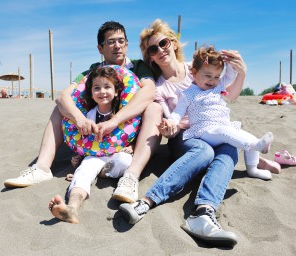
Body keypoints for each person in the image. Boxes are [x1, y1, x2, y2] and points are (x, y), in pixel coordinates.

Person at [119, 19, 281, 247]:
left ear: (173, 43)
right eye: (152, 49)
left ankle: (204, 213)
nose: (160, 50)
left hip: (214, 130)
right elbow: (173, 120)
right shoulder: (159, 86)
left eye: (163, 43)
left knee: (228, 148)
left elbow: (229, 95)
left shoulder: (199, 66)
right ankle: (146, 201)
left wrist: (242, 73)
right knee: (205, 151)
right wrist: (170, 126)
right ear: (150, 57)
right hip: (185, 137)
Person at [4, 21, 163, 204]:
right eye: (111, 42)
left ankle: (131, 177)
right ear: (100, 48)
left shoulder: (138, 66)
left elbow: (149, 92)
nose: (117, 46)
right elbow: (63, 96)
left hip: (128, 130)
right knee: (60, 108)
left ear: (127, 44)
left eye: (121, 41)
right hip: (94, 133)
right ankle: (41, 168)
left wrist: (115, 121)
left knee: (155, 108)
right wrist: (79, 118)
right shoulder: (92, 70)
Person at [164, 45, 274, 180]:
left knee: (244, 135)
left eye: (217, 76)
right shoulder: (187, 94)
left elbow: (230, 75)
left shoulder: (218, 86)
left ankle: (253, 169)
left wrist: (228, 62)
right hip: (204, 131)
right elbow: (177, 113)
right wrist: (171, 121)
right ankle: (256, 145)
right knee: (226, 132)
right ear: (193, 72)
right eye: (208, 75)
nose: (213, 80)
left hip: (223, 126)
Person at [49, 66, 134, 223]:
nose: (102, 91)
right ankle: (72, 208)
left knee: (125, 160)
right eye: (97, 88)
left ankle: (101, 173)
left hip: (116, 155)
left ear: (116, 91)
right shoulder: (89, 115)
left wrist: (132, 146)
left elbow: (134, 130)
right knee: (83, 171)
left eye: (107, 87)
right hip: (94, 156)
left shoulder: (122, 111)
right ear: (91, 93)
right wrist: (79, 159)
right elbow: (84, 142)